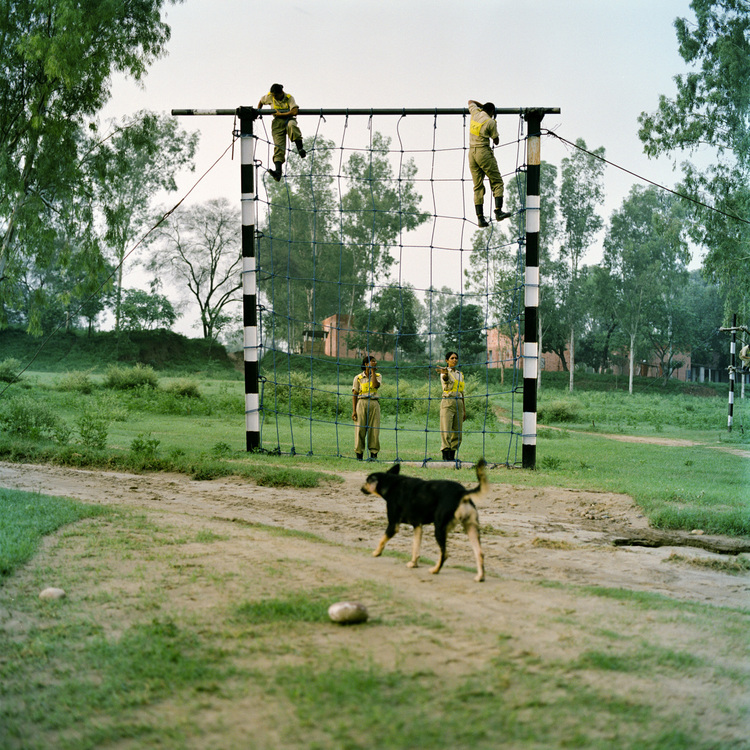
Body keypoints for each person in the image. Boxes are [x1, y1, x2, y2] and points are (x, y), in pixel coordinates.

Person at [468, 99, 512, 227]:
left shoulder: (475, 113)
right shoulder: (490, 122)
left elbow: (470, 101)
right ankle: (498, 212)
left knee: (478, 186)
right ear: (492, 112)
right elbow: (496, 141)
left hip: (472, 154)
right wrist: (494, 124)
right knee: (497, 181)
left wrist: (481, 107)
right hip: (483, 152)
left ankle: (480, 218)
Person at [257, 83, 306, 181]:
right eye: (273, 95)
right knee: (278, 146)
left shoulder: (289, 98)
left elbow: (295, 111)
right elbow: (261, 101)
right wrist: (259, 111)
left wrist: (282, 114)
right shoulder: (270, 97)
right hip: (277, 123)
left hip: (288, 119)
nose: (274, 97)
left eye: (276, 95)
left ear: (281, 93)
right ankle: (278, 172)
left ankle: (300, 148)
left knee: (292, 126)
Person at [436, 351, 465, 461]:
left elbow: (462, 392)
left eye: (456, 358)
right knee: (446, 429)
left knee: (457, 431)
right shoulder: (444, 372)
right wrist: (445, 373)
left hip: (459, 402)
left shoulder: (460, 374)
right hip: (448, 401)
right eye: (452, 358)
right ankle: (445, 455)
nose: (454, 360)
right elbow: (445, 379)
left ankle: (452, 455)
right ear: (447, 360)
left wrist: (464, 410)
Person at [352, 355, 381, 460]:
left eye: (375, 361)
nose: (375, 363)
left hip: (374, 403)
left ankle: (374, 454)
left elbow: (375, 385)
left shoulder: (378, 375)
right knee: (360, 429)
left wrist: (372, 372)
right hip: (362, 403)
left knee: (374, 429)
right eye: (373, 361)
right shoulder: (358, 378)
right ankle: (359, 454)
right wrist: (354, 411)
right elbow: (354, 394)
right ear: (366, 364)